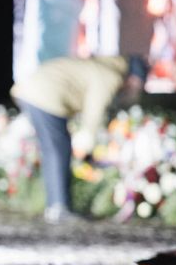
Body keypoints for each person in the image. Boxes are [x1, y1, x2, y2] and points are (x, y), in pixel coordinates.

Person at [11, 55, 147, 223]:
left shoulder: (102, 68)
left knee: (54, 150)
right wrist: (87, 146)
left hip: (33, 91)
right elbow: (94, 111)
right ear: (132, 78)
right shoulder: (109, 76)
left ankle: (55, 206)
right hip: (43, 95)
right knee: (58, 150)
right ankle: (59, 207)